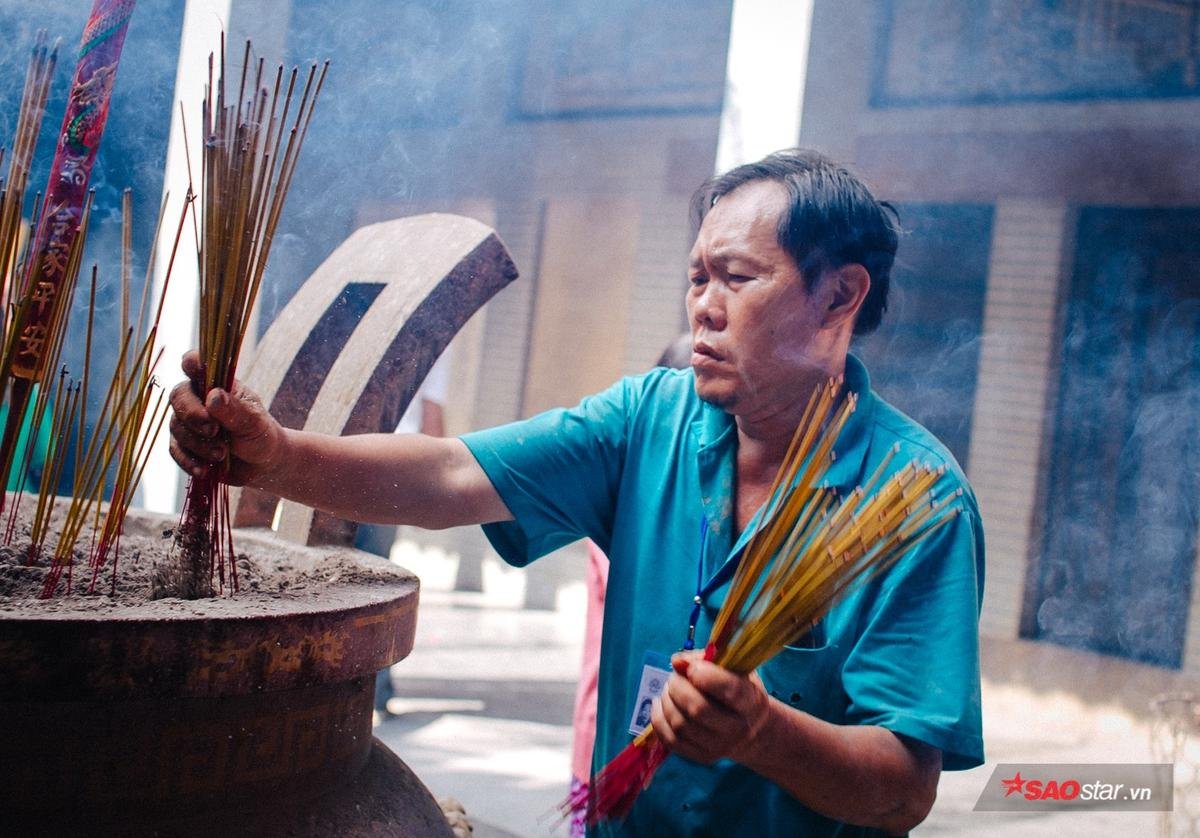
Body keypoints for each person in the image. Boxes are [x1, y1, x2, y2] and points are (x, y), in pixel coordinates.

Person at [170, 149, 984, 837]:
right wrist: (275, 458)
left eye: (737, 277)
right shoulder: (649, 419)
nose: (703, 305)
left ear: (839, 297)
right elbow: (453, 475)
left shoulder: (913, 501)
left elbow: (904, 787)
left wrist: (763, 732)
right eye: (697, 277)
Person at [355, 348, 452, 720]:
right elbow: (432, 421)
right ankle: (375, 688)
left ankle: (371, 687)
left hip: (345, 454)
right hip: (390, 464)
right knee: (373, 576)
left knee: (353, 574)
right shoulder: (435, 332)